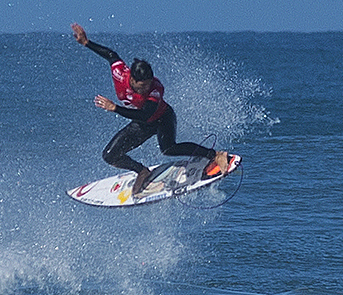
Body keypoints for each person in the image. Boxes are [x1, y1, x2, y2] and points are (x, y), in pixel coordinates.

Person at [72, 23, 233, 195]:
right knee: (110, 156)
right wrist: (86, 43)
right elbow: (111, 55)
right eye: (142, 86)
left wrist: (115, 108)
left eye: (148, 85)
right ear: (132, 79)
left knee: (169, 149)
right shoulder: (120, 73)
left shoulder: (155, 90)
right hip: (143, 123)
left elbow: (145, 114)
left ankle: (215, 155)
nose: (145, 89)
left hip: (162, 119)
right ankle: (142, 171)